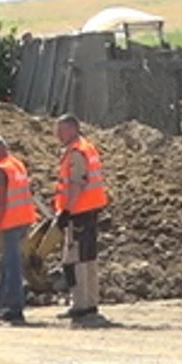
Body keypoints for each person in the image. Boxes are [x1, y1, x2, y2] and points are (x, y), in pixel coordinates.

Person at [53, 113, 110, 328]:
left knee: (75, 259)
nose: (57, 135)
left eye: (60, 130)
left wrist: (66, 211)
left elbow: (77, 183)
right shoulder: (88, 148)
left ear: (72, 129)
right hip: (91, 209)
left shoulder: (76, 152)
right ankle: (91, 301)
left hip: (79, 211)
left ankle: (80, 304)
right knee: (89, 257)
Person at [0, 134, 35, 325]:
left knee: (13, 267)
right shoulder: (16, 164)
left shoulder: (0, 170)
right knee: (8, 263)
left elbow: (0, 203)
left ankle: (15, 309)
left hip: (11, 221)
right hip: (24, 219)